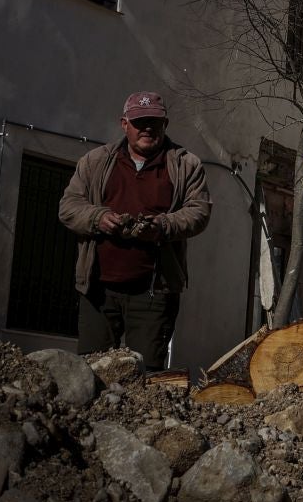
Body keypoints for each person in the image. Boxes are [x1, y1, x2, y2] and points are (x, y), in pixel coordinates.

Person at [58, 91, 211, 370]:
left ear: (165, 124)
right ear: (124, 124)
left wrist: (162, 226)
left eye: (154, 121)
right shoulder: (95, 161)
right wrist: (98, 217)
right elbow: (69, 207)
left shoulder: (186, 165)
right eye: (140, 122)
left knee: (145, 376)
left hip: (154, 293)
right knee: (91, 371)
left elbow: (198, 212)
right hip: (98, 291)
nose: (147, 128)